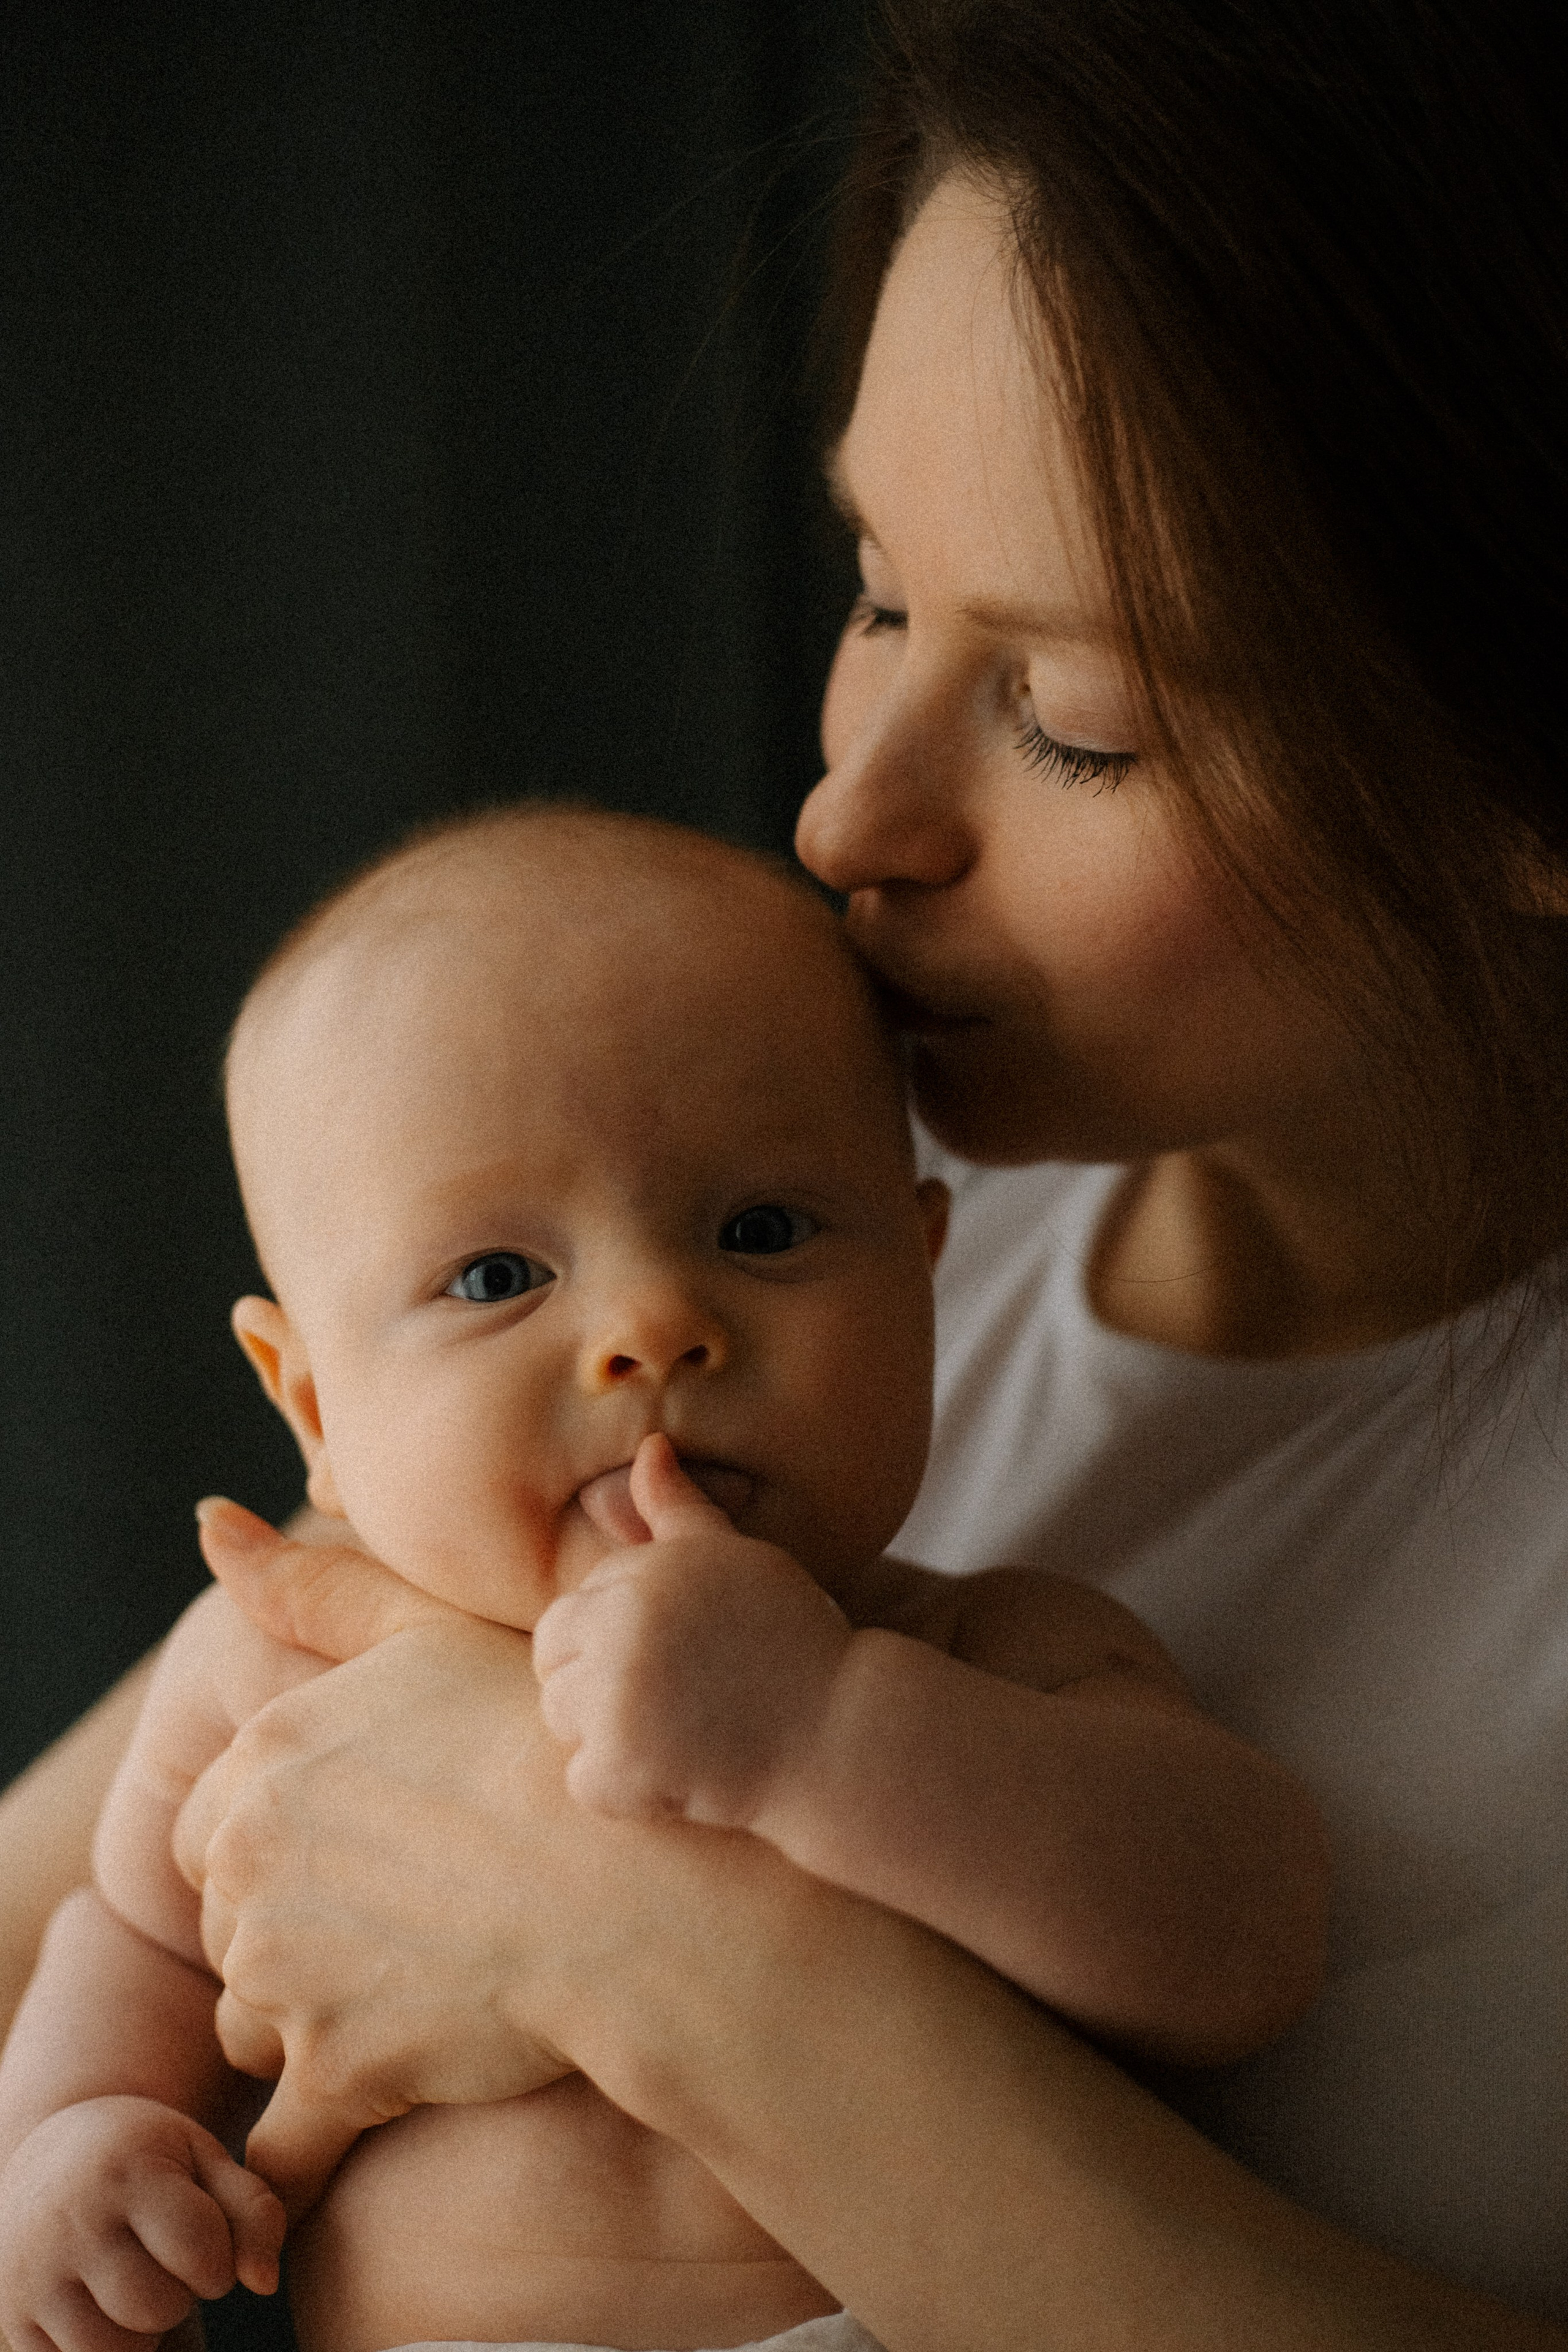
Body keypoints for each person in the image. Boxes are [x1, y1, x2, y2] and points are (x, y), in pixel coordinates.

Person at [4, 0, 1567, 2344]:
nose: (846, 818)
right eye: (874, 594)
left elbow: (1222, 1920)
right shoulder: (733, 1305)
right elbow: (70, 1925)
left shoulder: (849, 1366)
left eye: (1076, 717)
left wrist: (631, 1931)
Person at [0, 805, 1327, 2352]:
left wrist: (830, 1731)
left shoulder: (974, 1651)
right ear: (311, 1408)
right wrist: (73, 2142)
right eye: (498, 1278)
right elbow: (133, 1933)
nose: (652, 1325)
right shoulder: (265, 1664)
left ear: (921, 1280)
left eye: (759, 1230)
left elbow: (1237, 1942)